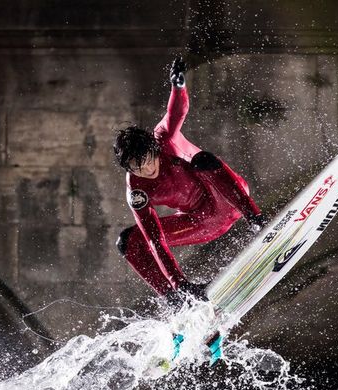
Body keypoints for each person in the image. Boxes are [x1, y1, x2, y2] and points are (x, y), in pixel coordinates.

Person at [114, 57, 267, 307]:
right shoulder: (136, 190)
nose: (147, 170)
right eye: (136, 167)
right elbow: (155, 240)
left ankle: (258, 221)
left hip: (229, 199)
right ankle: (177, 299)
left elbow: (177, 112)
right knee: (129, 242)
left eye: (149, 161)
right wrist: (178, 283)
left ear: (154, 149)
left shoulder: (163, 139)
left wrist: (178, 86)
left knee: (202, 160)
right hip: (201, 223)